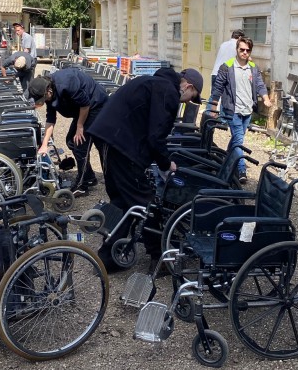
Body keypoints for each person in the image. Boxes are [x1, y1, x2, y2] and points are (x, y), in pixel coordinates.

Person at [87, 67, 203, 271]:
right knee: (145, 202)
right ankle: (159, 259)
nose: (187, 102)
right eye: (192, 97)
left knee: (123, 199)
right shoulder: (168, 92)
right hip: (120, 143)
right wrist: (166, 164)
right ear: (188, 86)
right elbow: (156, 136)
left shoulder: (152, 82)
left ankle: (109, 256)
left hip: (108, 137)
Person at [28, 69, 109, 197]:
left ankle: (84, 184)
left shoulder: (67, 83)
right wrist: (44, 144)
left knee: (81, 144)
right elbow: (51, 119)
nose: (42, 102)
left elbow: (85, 104)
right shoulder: (48, 90)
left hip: (95, 104)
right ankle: (90, 176)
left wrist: (80, 125)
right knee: (72, 141)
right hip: (83, 109)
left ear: (48, 91)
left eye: (42, 99)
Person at [210, 36, 271, 184]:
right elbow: (217, 88)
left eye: (247, 50)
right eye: (241, 49)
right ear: (237, 49)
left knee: (237, 139)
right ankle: (241, 169)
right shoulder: (227, 66)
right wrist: (213, 106)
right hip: (232, 110)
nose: (244, 52)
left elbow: (260, 84)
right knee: (238, 140)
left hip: (247, 111)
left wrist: (265, 97)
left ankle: (225, 161)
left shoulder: (253, 67)